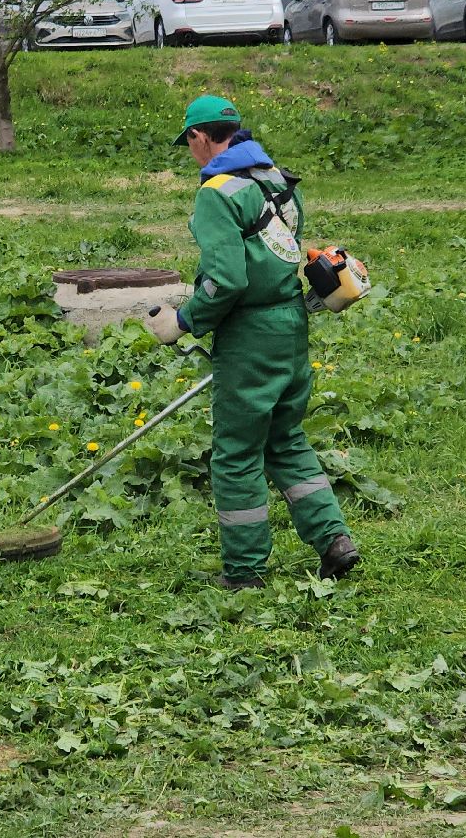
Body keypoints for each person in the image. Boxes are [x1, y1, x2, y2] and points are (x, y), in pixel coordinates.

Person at [143, 95, 360, 590]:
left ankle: (244, 574)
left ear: (201, 137)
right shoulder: (277, 180)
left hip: (249, 337)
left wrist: (184, 320)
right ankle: (334, 542)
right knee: (285, 440)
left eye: (189, 144)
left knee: (237, 454)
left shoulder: (217, 192)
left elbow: (227, 279)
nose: (191, 153)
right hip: (291, 326)